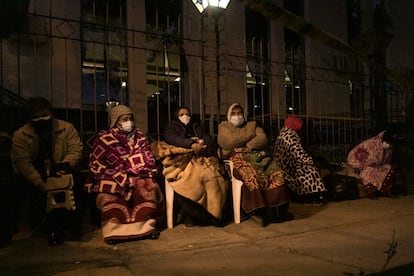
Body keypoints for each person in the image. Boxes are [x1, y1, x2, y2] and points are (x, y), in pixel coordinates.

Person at [85, 104, 164, 244]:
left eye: (130, 118)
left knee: (147, 186)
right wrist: (118, 171)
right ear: (116, 121)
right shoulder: (105, 137)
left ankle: (146, 228)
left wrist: (132, 168)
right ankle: (113, 231)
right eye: (124, 119)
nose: (129, 122)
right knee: (109, 191)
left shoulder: (140, 136)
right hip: (112, 174)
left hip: (137, 173)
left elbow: (147, 157)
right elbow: (96, 162)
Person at [11, 96, 83, 246]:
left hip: (61, 169)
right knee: (20, 186)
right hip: (37, 173)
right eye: (36, 117)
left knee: (77, 184)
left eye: (44, 115)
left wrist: (65, 166)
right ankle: (31, 226)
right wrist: (38, 181)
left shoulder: (66, 128)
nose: (42, 119)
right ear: (30, 118)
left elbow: (75, 149)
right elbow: (22, 162)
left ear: (51, 112)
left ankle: (73, 228)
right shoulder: (21, 135)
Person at [217, 103, 291, 226]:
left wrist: (247, 145)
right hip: (237, 158)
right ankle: (257, 211)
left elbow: (262, 139)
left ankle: (277, 210)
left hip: (256, 155)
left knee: (276, 171)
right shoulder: (224, 126)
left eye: (240, 113)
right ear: (229, 115)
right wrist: (251, 134)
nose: (237, 116)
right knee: (251, 175)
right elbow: (228, 142)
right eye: (234, 114)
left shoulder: (252, 124)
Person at [152, 106, 228, 227]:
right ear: (177, 116)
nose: (185, 116)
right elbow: (172, 139)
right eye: (182, 114)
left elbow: (208, 138)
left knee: (213, 177)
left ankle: (212, 215)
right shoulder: (172, 126)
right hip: (182, 159)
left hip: (199, 158)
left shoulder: (196, 126)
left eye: (187, 114)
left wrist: (203, 143)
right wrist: (191, 144)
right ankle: (192, 215)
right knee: (192, 179)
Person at [273, 116, 327, 205]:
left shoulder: (284, 133)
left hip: (285, 165)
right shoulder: (290, 136)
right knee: (309, 170)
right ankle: (309, 196)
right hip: (288, 168)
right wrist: (312, 161)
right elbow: (299, 155)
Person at [347, 130, 397, 198]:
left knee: (388, 168)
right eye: (387, 143)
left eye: (390, 144)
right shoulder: (371, 144)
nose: (388, 145)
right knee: (369, 172)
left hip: (377, 165)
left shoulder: (389, 149)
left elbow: (386, 161)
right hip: (360, 164)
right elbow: (368, 160)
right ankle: (371, 191)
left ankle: (386, 190)